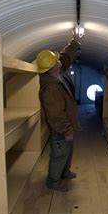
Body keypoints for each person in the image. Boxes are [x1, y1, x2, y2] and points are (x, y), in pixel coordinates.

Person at [36, 30, 83, 192]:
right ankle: (53, 181)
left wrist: (75, 41)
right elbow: (55, 115)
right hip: (60, 128)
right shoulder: (50, 88)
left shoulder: (57, 73)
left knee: (68, 149)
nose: (59, 60)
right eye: (56, 60)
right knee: (59, 153)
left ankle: (65, 171)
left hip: (67, 124)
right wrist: (66, 130)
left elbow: (66, 56)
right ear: (52, 67)